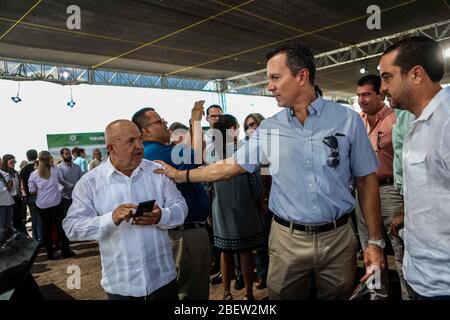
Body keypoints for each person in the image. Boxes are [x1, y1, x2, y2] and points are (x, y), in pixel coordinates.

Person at [155, 42, 384, 300]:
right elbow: (230, 166)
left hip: (338, 240)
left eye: (275, 77)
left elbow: (366, 180)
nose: (270, 86)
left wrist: (374, 241)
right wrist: (182, 175)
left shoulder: (347, 120)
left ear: (302, 76)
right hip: (287, 241)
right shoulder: (270, 129)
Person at [63, 120, 188, 300]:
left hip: (162, 280)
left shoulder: (158, 172)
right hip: (121, 286)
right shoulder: (90, 183)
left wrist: (162, 215)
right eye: (130, 141)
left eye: (139, 139)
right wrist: (110, 219)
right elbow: (71, 228)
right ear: (111, 148)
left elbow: (181, 207)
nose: (139, 146)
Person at [379, 36, 450, 299]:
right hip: (421, 273)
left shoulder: (446, 123)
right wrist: (409, 214)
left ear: (416, 74)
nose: (383, 87)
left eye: (388, 77)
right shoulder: (419, 122)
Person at [131, 107, 211, 300]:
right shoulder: (161, 152)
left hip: (172, 232)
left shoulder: (149, 153)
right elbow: (198, 153)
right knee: (191, 293)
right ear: (146, 130)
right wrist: (196, 121)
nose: (166, 124)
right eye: (160, 121)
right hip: (185, 235)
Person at [354, 74, 409, 299]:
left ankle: (409, 295)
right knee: (370, 249)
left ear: (380, 95)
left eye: (367, 94)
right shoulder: (357, 121)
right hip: (364, 192)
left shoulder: (396, 118)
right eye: (358, 96)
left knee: (401, 251)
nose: (362, 100)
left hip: (390, 191)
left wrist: (406, 204)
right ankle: (378, 295)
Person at [28, 151, 75, 259]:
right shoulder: (55, 169)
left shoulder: (33, 174)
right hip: (56, 202)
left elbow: (32, 191)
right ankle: (66, 252)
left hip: (42, 204)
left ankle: (50, 255)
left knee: (46, 229)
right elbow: (62, 181)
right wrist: (72, 186)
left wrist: (42, 189)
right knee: (60, 227)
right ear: (49, 158)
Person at [244, 112, 271, 290]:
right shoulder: (244, 149)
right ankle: (262, 274)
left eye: (253, 124)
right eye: (247, 126)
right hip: (253, 200)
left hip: (272, 197)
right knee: (260, 241)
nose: (251, 128)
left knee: (272, 240)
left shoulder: (271, 146)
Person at [19, 149, 43, 242]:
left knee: (34, 219)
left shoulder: (23, 170)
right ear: (36, 156)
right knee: (40, 219)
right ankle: (41, 239)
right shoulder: (39, 167)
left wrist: (27, 195)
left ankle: (35, 239)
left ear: (27, 157)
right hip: (38, 196)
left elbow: (23, 185)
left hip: (28, 197)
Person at [1, 154, 26, 233]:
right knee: (14, 222)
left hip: (17, 198)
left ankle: (24, 238)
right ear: (5, 163)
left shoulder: (15, 173)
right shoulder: (3, 175)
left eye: (14, 162)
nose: (14, 164)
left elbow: (18, 187)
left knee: (20, 220)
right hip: (9, 201)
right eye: (11, 162)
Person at [0, 166, 15, 241]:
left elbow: (10, 182)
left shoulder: (2, 173)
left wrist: (9, 185)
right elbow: (8, 186)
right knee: (1, 230)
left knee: (7, 228)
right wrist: (7, 188)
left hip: (9, 203)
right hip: (1, 205)